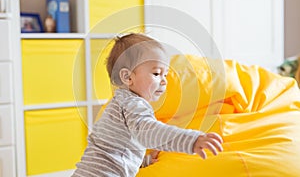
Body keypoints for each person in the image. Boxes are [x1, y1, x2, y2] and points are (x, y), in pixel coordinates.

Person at [72, 33, 223, 177]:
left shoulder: (119, 103)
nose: (164, 81)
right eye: (157, 73)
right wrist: (191, 140)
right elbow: (149, 132)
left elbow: (117, 150)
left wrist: (144, 161)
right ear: (127, 77)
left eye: (165, 74)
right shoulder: (132, 104)